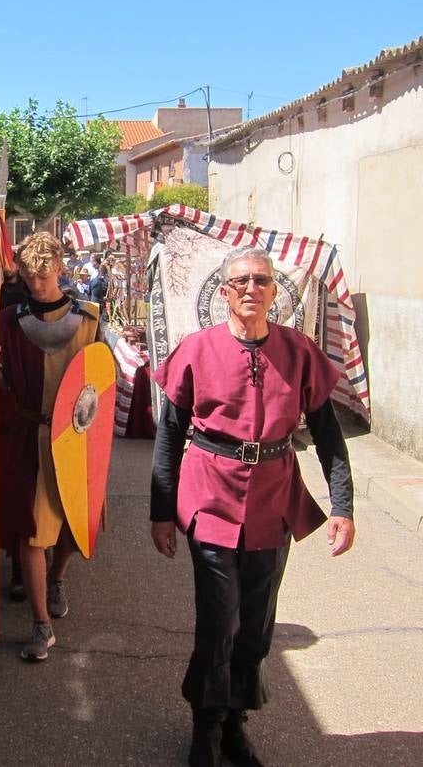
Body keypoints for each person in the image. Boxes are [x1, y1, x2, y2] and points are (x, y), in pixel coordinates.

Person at [149, 245, 355, 767]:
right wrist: (160, 510)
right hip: (210, 497)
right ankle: (206, 725)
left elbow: (329, 435)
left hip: (272, 501)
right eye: (240, 280)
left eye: (261, 280)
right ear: (223, 292)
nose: (250, 288)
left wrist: (343, 505)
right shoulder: (196, 350)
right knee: (220, 622)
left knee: (258, 625)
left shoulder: (298, 351)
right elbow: (170, 436)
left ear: (273, 292)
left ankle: (236, 722)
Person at [0, 232, 103, 661]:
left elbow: (102, 381)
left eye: (44, 275)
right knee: (33, 535)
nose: (37, 283)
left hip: (75, 440)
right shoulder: (8, 321)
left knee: (72, 532)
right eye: (30, 275)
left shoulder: (89, 319)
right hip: (30, 438)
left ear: (61, 269)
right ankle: (41, 625)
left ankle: (57, 576)